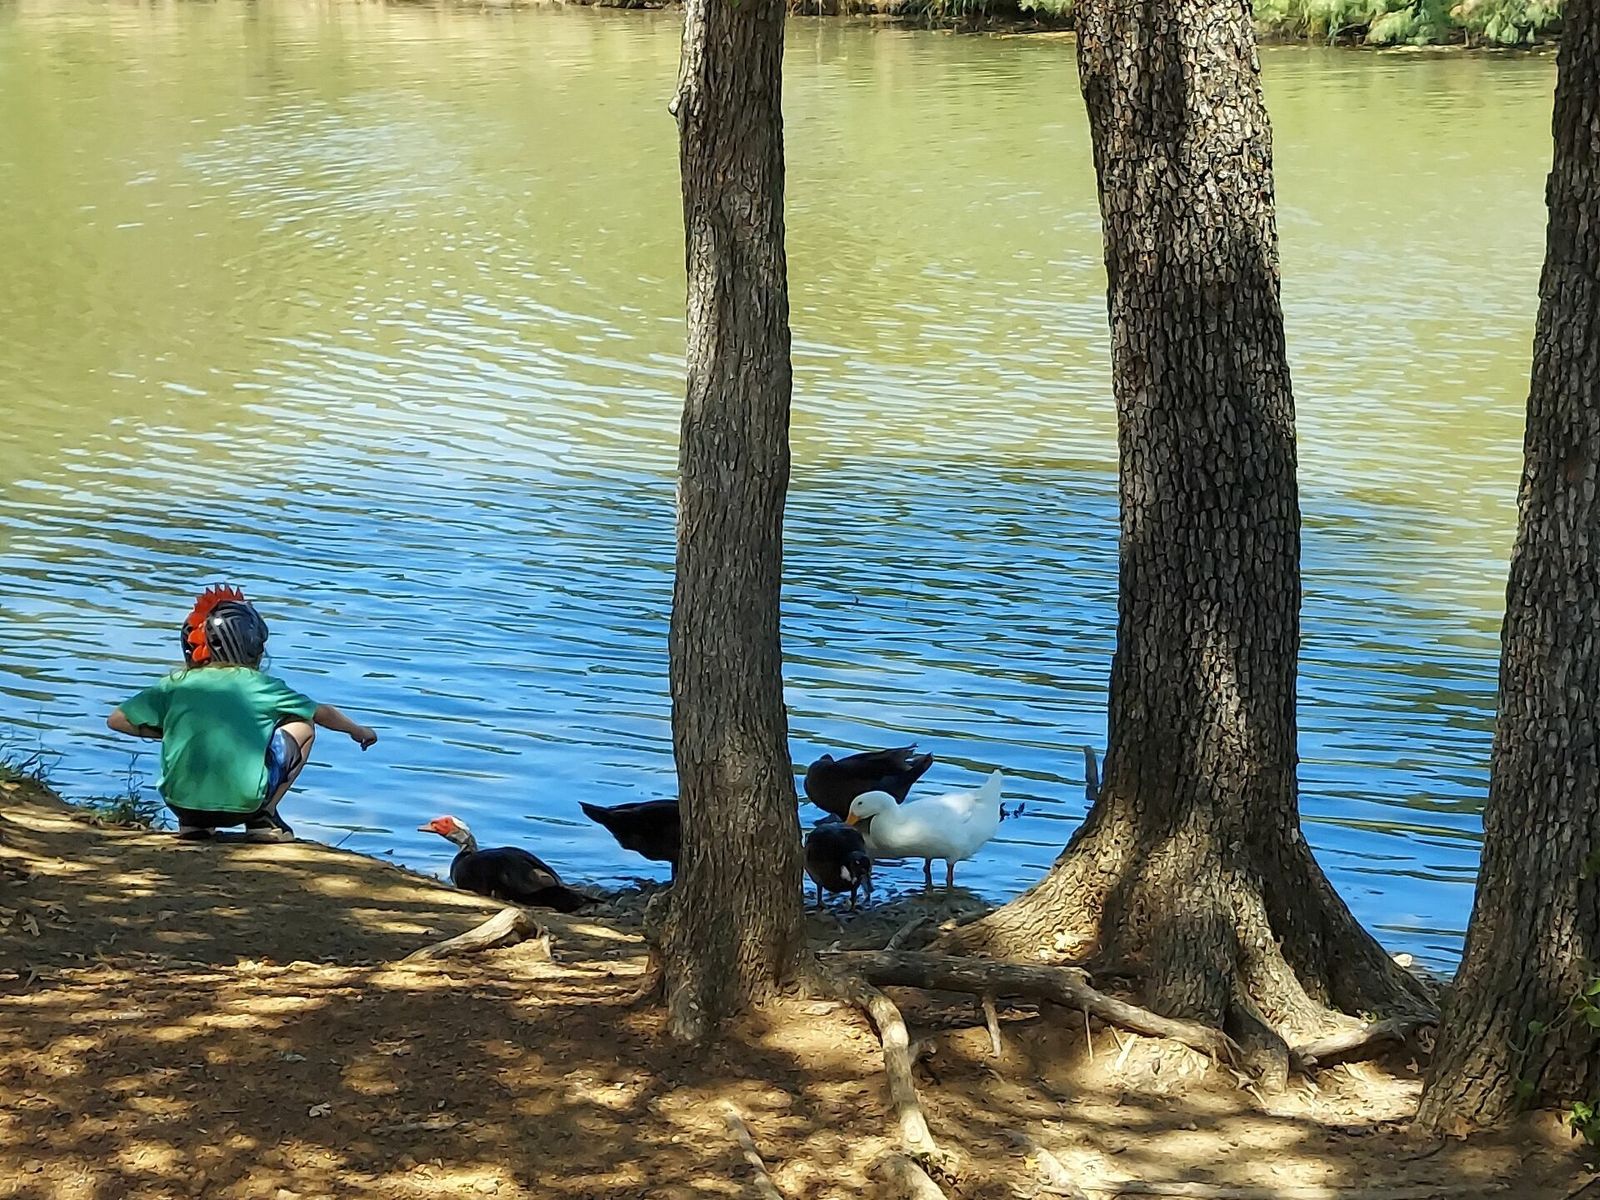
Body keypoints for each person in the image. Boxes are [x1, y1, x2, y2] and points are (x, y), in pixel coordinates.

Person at [107, 585, 377, 842]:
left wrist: (174, 730)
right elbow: (322, 712)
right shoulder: (261, 685)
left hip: (181, 805)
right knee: (302, 723)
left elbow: (117, 720)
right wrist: (358, 731)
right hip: (243, 807)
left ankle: (195, 826)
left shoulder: (175, 684)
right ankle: (263, 818)